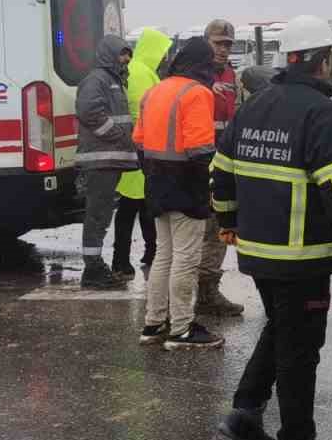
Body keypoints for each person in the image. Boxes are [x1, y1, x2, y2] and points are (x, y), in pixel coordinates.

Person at [211, 15, 332, 440]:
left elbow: (221, 172)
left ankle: (245, 411)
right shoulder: (321, 113)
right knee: (300, 350)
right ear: (322, 60)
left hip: (257, 253)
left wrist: (227, 220)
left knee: (283, 329)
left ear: (288, 59)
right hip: (301, 256)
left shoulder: (254, 106)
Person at [135, 36, 225, 351]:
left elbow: (139, 141)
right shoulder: (197, 93)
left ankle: (154, 323)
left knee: (164, 254)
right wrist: (212, 187)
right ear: (202, 63)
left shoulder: (154, 91)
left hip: (156, 181)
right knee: (186, 257)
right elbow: (201, 150)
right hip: (187, 183)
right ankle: (183, 329)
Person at [75, 34, 138, 286]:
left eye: (128, 54)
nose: (126, 59)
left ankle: (95, 266)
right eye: (122, 54)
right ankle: (92, 270)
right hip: (101, 159)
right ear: (110, 55)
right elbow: (89, 112)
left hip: (109, 159)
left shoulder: (112, 80)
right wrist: (118, 136)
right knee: (97, 215)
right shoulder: (98, 80)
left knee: (101, 214)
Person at [113, 27, 172, 279]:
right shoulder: (140, 73)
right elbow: (143, 111)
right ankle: (124, 260)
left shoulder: (141, 70)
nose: (165, 58)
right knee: (134, 207)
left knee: (141, 205)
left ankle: (146, 253)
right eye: (163, 52)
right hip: (139, 148)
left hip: (137, 147)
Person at [195, 18, 245, 317]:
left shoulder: (231, 76)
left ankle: (206, 292)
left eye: (228, 44)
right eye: (218, 43)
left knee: (218, 227)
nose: (224, 50)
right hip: (197, 161)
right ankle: (191, 294)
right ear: (205, 42)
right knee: (196, 231)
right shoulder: (192, 76)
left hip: (223, 160)